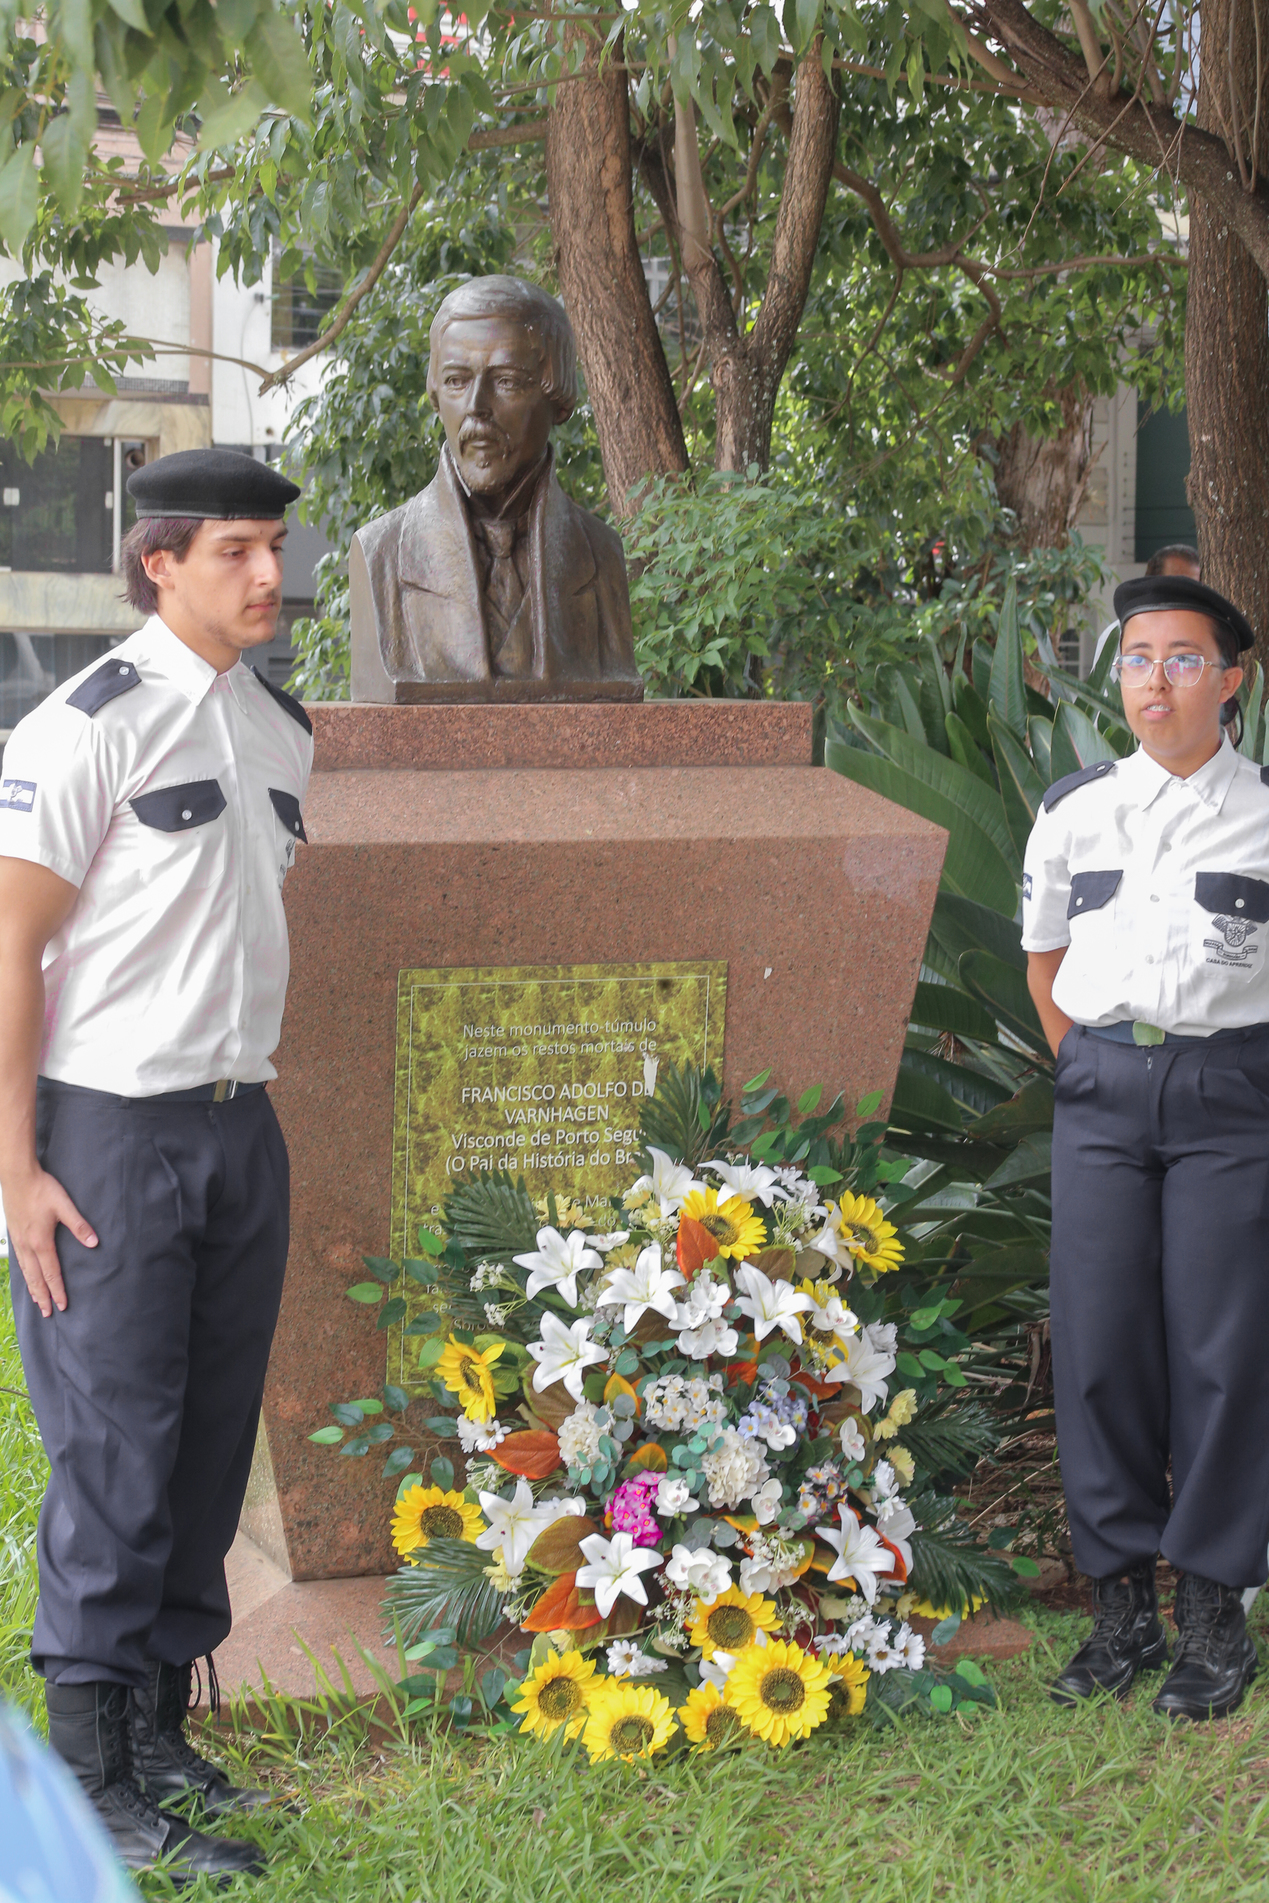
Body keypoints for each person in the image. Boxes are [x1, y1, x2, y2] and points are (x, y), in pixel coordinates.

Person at [0, 447, 312, 1876]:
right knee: (116, 1456)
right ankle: (88, 1780)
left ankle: (161, 1737)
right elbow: (10, 950)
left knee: (200, 1452)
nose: (270, 576)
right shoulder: (87, 726)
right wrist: (17, 1169)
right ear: (160, 562)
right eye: (238, 550)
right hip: (111, 1131)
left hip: (240, 1124)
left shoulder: (278, 726)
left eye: (275, 548)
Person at [1024, 572, 1269, 1722]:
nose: (1154, 679)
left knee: (1225, 1349)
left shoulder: (1266, 813)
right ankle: (1120, 1607)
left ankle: (1214, 1612)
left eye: (1181, 658)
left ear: (1230, 679)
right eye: (1135, 658)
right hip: (1105, 1090)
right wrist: (1081, 1064)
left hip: (1234, 1095)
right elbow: (1042, 961)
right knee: (1102, 1341)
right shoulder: (1076, 812)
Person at [349, 274, 640, 699]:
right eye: (456, 381)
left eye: (506, 381)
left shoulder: (601, 555)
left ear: (558, 400)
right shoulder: (381, 554)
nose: (476, 407)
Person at [1091, 545, 1202, 666]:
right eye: (1177, 586)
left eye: (1195, 587)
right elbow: (1108, 683)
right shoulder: (1119, 633)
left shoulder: (1205, 631)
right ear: (1152, 584)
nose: (1188, 595)